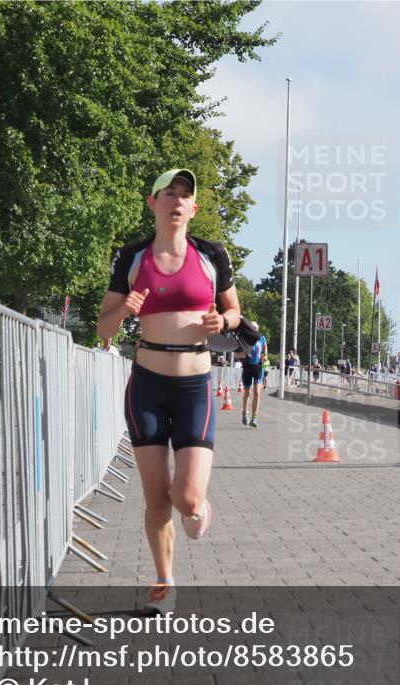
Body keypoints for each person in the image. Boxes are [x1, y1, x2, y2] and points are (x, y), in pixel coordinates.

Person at [97, 168, 240, 615]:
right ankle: (164, 583)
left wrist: (225, 321)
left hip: (196, 386)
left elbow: (234, 311)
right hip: (148, 386)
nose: (177, 202)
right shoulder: (133, 257)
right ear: (152, 202)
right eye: (168, 194)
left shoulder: (211, 255)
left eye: (185, 196)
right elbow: (103, 326)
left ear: (194, 209)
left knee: (187, 498)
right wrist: (126, 306)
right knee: (156, 498)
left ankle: (197, 510)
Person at [239, 322, 266, 427]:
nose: (254, 330)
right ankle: (245, 412)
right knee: (247, 393)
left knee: (257, 393)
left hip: (258, 367)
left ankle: (254, 418)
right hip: (247, 368)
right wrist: (244, 354)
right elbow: (237, 354)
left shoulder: (261, 338)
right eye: (252, 328)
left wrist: (265, 355)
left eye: (255, 329)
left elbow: (265, 346)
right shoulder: (245, 339)